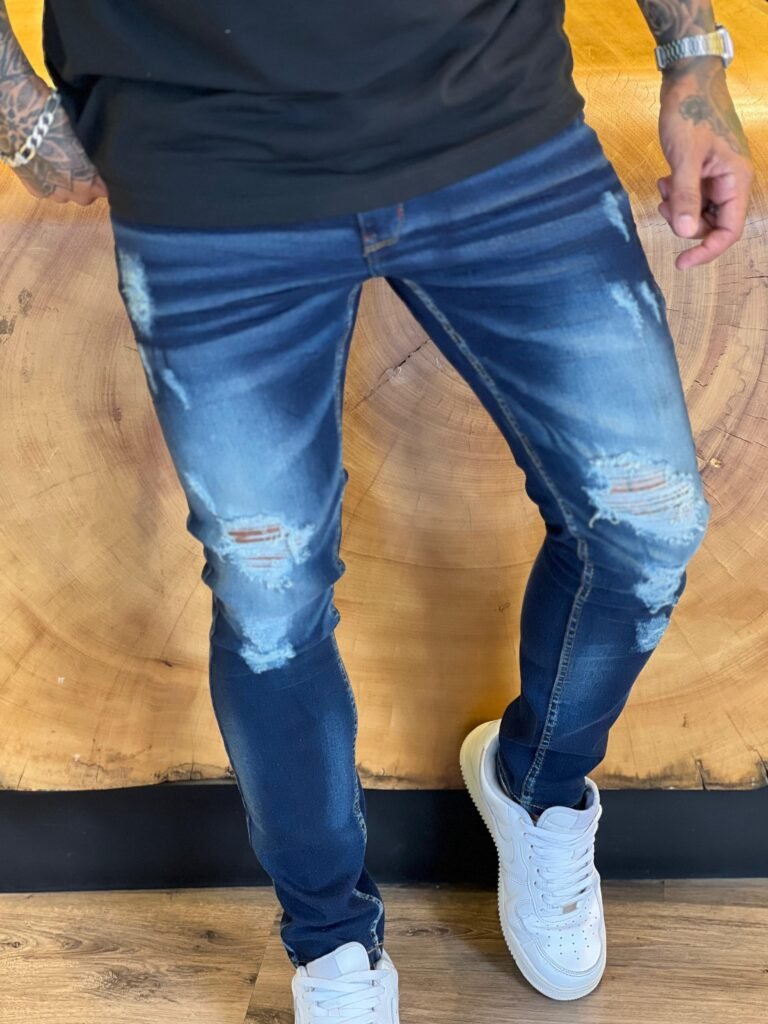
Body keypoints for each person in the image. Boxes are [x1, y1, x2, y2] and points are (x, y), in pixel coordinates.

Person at [0, 0, 753, 1019]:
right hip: (205, 158)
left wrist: (692, 53)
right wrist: (19, 114)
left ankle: (537, 787)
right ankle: (332, 942)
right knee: (270, 605)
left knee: (648, 519)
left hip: (493, 116)